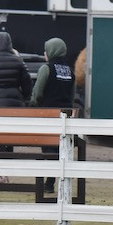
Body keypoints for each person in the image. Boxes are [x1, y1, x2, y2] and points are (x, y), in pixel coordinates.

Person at [29, 37, 76, 193]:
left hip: (48, 117)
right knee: (60, 151)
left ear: (51, 51)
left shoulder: (46, 68)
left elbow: (37, 94)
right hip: (66, 119)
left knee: (48, 151)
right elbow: (72, 95)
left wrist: (33, 105)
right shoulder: (70, 71)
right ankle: (55, 182)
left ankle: (48, 183)